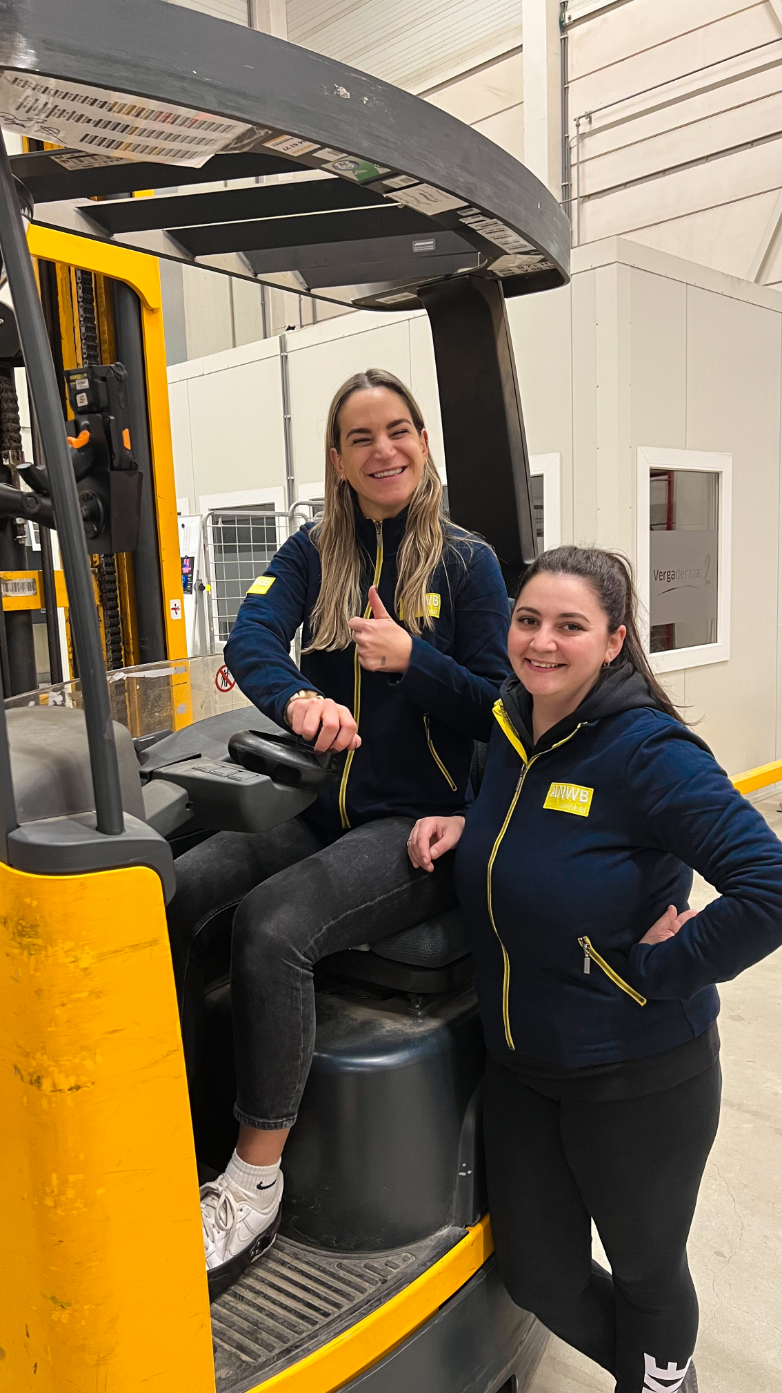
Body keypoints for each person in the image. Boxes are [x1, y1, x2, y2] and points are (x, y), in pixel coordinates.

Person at [168, 367, 511, 1296]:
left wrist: (416, 661)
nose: (384, 450)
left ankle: (254, 1182)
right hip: (325, 809)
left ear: (424, 443)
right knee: (175, 889)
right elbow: (249, 641)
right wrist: (303, 697)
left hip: (415, 829)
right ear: (339, 458)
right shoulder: (314, 552)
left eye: (399, 431)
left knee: (271, 926)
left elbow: (502, 709)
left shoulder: (467, 565)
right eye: (362, 438)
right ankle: (181, 1126)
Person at [407, 545, 782, 1393]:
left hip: (637, 1071)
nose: (542, 641)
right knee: (540, 1276)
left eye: (570, 625)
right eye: (528, 620)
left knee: (648, 1272)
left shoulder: (647, 751)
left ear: (613, 640)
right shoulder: (514, 719)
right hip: (523, 1067)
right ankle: (665, 1381)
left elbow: (770, 884)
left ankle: (657, 1379)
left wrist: (658, 970)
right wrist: (479, 833)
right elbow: (538, 820)